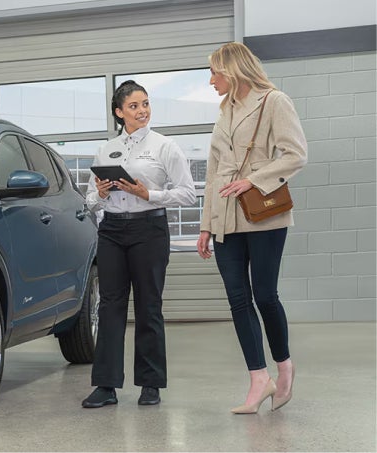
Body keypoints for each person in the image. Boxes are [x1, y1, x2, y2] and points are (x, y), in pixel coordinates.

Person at [196, 42, 307, 414]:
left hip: (263, 214)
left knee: (264, 295)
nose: (211, 80)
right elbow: (213, 173)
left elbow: (296, 154)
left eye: (214, 72)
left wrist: (254, 180)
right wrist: (205, 226)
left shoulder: (274, 101)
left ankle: (285, 369)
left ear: (231, 69)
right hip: (225, 217)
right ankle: (259, 380)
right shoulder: (224, 110)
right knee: (238, 300)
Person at [82, 80, 196, 408]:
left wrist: (149, 194)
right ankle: (105, 385)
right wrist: (101, 195)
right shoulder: (106, 149)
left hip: (150, 231)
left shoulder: (165, 147)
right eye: (133, 106)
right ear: (119, 113)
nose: (142, 110)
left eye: (145, 104)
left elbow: (188, 193)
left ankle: (150, 384)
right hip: (113, 232)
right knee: (110, 306)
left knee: (148, 306)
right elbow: (91, 198)